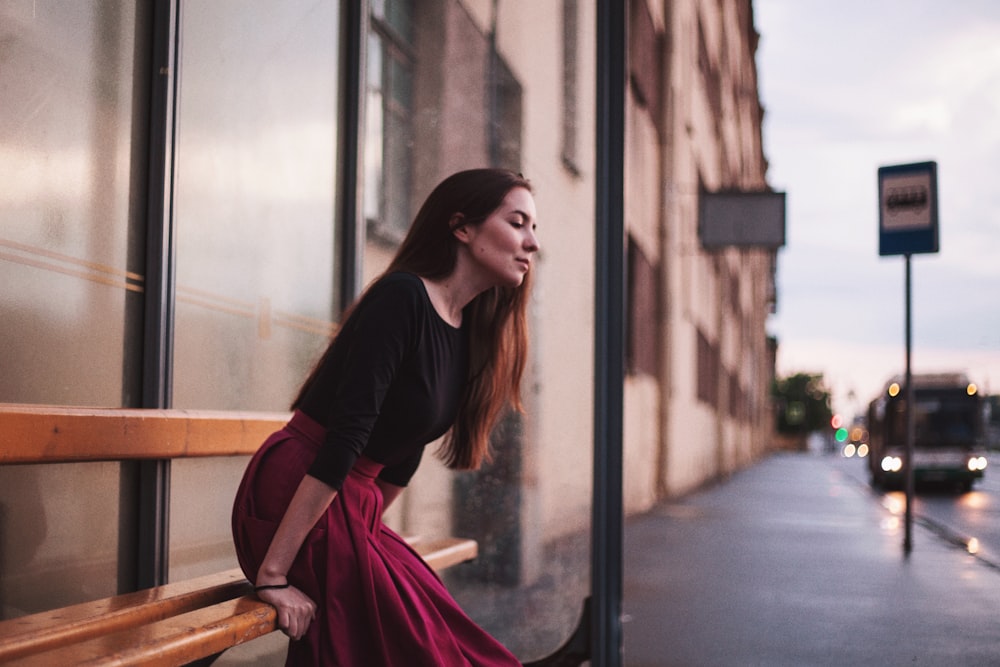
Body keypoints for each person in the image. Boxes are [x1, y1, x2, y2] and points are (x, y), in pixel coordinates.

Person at [232, 168, 540, 665]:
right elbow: (345, 439)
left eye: (533, 229)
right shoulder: (402, 297)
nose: (532, 243)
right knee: (417, 646)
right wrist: (274, 575)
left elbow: (402, 456)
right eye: (518, 222)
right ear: (462, 227)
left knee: (449, 636)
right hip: (298, 486)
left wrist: (371, 535)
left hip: (352, 502)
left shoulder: (463, 326)